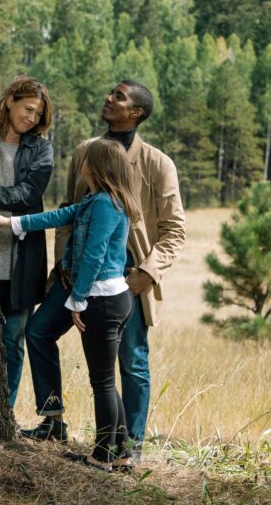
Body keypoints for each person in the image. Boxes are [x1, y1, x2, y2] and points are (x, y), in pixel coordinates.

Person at [19, 80, 186, 461]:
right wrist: (63, 261)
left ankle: (129, 446)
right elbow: (68, 209)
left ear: (137, 113)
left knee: (131, 362)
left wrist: (148, 271)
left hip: (127, 279)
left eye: (119, 97)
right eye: (110, 92)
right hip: (76, 273)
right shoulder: (86, 152)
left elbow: (175, 230)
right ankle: (52, 421)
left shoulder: (159, 163)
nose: (109, 98)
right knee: (39, 332)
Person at [0, 138, 142, 471]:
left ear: (97, 168)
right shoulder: (96, 200)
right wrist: (9, 222)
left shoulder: (104, 204)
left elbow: (94, 255)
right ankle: (123, 452)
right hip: (108, 298)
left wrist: (78, 298)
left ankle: (102, 456)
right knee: (104, 379)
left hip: (102, 299)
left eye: (86, 162)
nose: (81, 166)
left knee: (101, 382)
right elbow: (58, 215)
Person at [0, 77, 53, 408]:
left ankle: (3, 412)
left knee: (12, 339)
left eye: (38, 114)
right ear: (10, 100)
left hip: (21, 259)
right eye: (28, 109)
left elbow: (29, 194)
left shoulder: (41, 149)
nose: (32, 118)